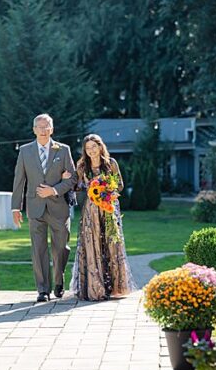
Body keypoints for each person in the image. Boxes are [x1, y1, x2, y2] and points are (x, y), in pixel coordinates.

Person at [11, 114, 78, 303]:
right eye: (39, 127)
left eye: (46, 126)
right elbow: (19, 180)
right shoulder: (25, 151)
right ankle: (42, 290)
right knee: (38, 249)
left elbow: (72, 179)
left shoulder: (63, 150)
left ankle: (59, 280)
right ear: (34, 130)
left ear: (52, 129)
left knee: (61, 249)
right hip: (35, 208)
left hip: (59, 208)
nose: (43, 130)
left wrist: (54, 190)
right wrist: (16, 208)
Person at [68, 134, 135, 301]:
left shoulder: (110, 163)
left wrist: (106, 189)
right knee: (93, 245)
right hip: (91, 211)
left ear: (100, 146)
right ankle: (96, 288)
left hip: (109, 208)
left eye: (94, 147)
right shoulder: (83, 165)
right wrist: (78, 182)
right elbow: (76, 186)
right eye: (88, 148)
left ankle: (115, 287)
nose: (91, 151)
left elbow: (120, 184)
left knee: (112, 244)